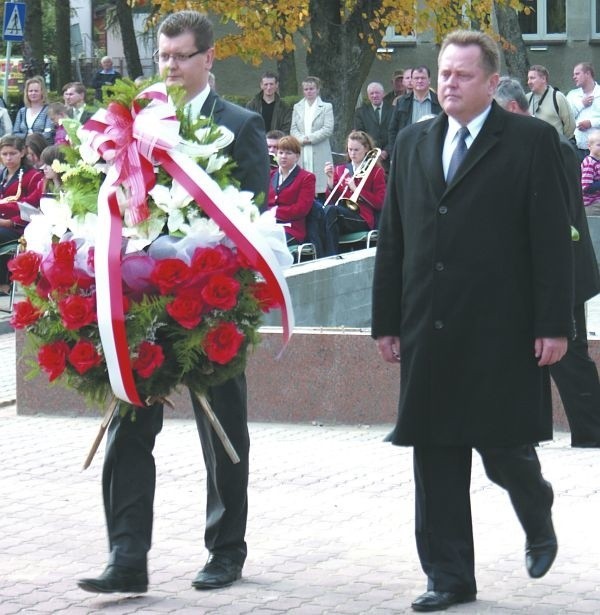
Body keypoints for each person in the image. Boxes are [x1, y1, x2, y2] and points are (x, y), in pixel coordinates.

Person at [372, 30, 573, 613]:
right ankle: (449, 576)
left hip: (500, 327)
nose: (449, 84)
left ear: (490, 82)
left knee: (503, 447)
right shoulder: (411, 141)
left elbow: (550, 243)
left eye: (462, 75)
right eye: (443, 73)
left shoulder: (531, 141)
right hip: (428, 326)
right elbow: (394, 239)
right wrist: (387, 320)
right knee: (435, 452)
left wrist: (555, 325)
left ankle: (535, 507)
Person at [77, 10, 269, 595]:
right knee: (129, 424)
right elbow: (104, 199)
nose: (171, 67)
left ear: (208, 58)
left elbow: (252, 216)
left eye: (182, 56)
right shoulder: (133, 124)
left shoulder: (240, 125)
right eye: (164, 57)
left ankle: (224, 550)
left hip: (210, 302)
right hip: (138, 304)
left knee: (222, 430)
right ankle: (127, 555)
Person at [496, 77, 600, 448]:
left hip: (563, 271)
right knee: (534, 353)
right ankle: (529, 431)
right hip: (541, 272)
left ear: (509, 108)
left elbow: (557, 215)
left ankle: (592, 434)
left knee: (569, 358)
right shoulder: (529, 142)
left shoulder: (549, 144)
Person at [323, 130, 386, 251]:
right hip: (342, 214)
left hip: (363, 217)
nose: (352, 153)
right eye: (350, 149)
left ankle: (330, 257)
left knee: (331, 212)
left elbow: (380, 203)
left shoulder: (376, 171)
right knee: (325, 212)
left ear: (366, 149)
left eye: (356, 150)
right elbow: (332, 200)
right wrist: (330, 181)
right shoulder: (339, 170)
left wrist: (357, 189)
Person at [0, 135, 43, 294]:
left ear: (22, 152)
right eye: (4, 154)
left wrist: (9, 222)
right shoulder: (2, 174)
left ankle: (3, 283)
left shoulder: (33, 176)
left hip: (20, 227)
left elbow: (33, 208)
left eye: (13, 153)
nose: (8, 158)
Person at [290, 76, 334, 198]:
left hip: (319, 150)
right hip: (302, 149)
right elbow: (293, 129)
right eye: (306, 89)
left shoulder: (326, 107)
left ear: (317, 89)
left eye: (311, 88)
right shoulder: (297, 107)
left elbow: (327, 129)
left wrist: (309, 138)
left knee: (320, 187)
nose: (309, 91)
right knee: (302, 186)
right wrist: (301, 139)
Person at [267, 135, 315, 243]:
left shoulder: (306, 177)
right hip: (268, 225)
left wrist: (272, 213)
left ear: (297, 156)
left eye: (288, 153)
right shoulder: (269, 175)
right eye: (281, 153)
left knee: (269, 244)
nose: (284, 156)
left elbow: (301, 209)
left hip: (291, 229)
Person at [387, 66, 442, 157]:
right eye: (416, 78)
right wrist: (394, 155)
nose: (419, 81)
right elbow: (392, 130)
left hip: (432, 150)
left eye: (423, 78)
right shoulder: (401, 102)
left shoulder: (439, 101)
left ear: (429, 80)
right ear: (411, 81)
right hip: (408, 150)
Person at [526, 65, 575, 139]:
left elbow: (570, 126)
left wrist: (560, 143)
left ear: (543, 79)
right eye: (528, 78)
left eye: (532, 78)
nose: (529, 82)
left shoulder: (558, 97)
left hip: (555, 147)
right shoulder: (526, 98)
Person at [353, 82, 392, 170]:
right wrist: (374, 152)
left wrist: (386, 151)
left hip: (389, 157)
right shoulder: (360, 112)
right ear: (368, 95)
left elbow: (396, 132)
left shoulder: (393, 110)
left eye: (377, 93)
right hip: (369, 157)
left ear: (383, 94)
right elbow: (361, 134)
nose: (374, 95)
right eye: (372, 93)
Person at [566, 62, 600, 161]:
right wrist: (581, 104)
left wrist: (591, 123)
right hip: (577, 148)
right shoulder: (572, 95)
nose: (574, 77)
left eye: (577, 74)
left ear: (588, 73)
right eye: (573, 74)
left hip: (598, 150)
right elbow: (566, 117)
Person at [12, 76, 54, 144]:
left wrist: (32, 137)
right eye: (30, 91)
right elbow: (15, 133)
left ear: (42, 92)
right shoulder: (22, 111)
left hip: (43, 148)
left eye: (36, 91)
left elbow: (48, 133)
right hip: (24, 148)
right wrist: (26, 136)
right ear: (27, 93)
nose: (33, 93)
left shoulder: (49, 110)